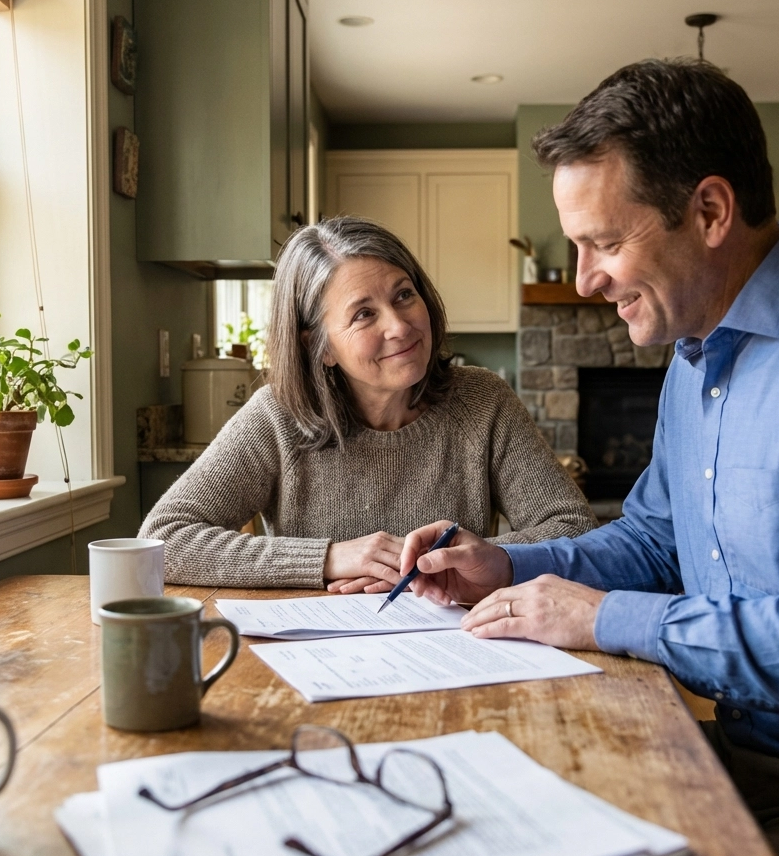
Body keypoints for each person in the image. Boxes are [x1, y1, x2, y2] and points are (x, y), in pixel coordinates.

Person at [401, 60, 779, 856]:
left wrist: (609, 619)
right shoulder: (697, 358)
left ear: (712, 212)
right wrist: (507, 565)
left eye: (605, 243)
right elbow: (654, 538)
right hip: (749, 757)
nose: (583, 281)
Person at [140, 216, 595, 593]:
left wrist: (460, 562)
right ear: (320, 347)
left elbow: (574, 527)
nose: (400, 326)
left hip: (453, 646)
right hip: (314, 656)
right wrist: (329, 558)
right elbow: (163, 539)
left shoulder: (483, 400)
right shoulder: (277, 417)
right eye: (363, 314)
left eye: (403, 295)